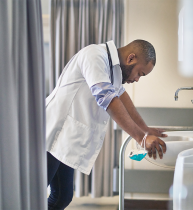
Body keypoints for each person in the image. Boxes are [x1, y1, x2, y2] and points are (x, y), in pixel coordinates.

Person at [45, 40, 167, 210]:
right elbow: (106, 97)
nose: (137, 79)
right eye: (140, 73)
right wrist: (141, 137)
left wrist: (144, 129)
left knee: (62, 197)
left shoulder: (114, 70)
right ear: (131, 58)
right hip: (52, 133)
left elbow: (122, 97)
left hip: (65, 139)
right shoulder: (95, 55)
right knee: (34, 193)